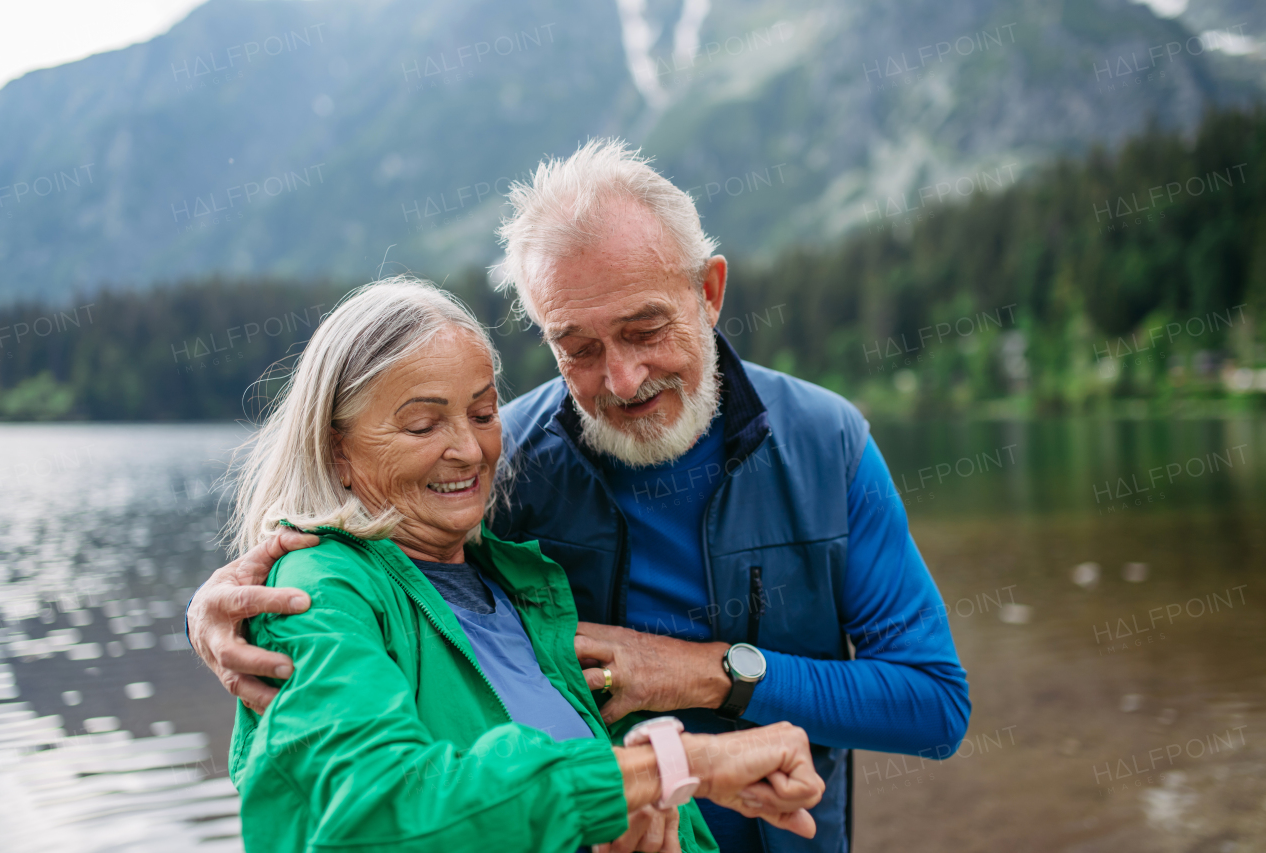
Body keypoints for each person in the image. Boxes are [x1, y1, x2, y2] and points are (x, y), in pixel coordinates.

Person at [189, 140, 971, 853]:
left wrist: (711, 673)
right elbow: (365, 558)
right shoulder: (503, 463)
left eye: (645, 329)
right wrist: (226, 600)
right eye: (579, 348)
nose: (622, 379)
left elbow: (935, 705)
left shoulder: (827, 445)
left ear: (710, 290)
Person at [221, 278, 825, 853]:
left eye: (483, 415)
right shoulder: (316, 589)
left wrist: (637, 818)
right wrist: (674, 765)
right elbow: (373, 816)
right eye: (423, 424)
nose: (468, 448)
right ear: (336, 450)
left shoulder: (517, 584)